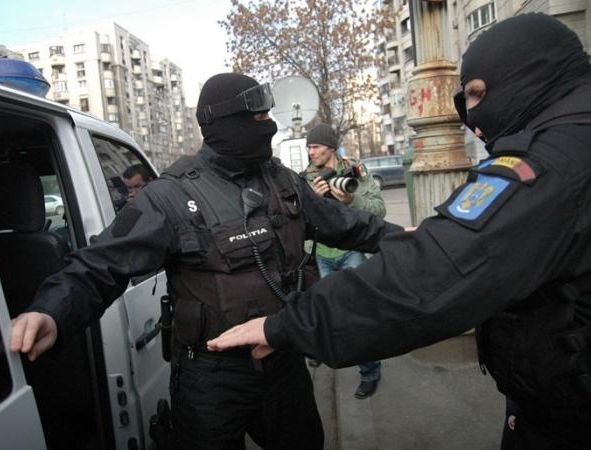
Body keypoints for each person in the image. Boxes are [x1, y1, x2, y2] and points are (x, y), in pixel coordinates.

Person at [208, 13, 591, 449]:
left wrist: (292, 324)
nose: (473, 117)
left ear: (528, 75)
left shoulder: (552, 163)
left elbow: (434, 273)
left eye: (477, 94)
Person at [9, 72, 402, 449]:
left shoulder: (283, 180)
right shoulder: (169, 196)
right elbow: (100, 264)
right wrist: (51, 311)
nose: (269, 125)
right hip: (211, 378)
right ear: (226, 122)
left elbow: (346, 224)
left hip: (283, 361)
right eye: (259, 117)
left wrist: (410, 241)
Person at [303, 123, 386, 399]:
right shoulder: (305, 179)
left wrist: (351, 200)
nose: (310, 152)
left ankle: (370, 372)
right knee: (325, 312)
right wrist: (313, 202)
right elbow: (299, 222)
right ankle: (321, 351)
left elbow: (379, 210)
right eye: (308, 147)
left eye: (315, 146)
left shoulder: (355, 171)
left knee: (358, 315)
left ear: (330, 147)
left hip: (353, 251)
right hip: (322, 256)